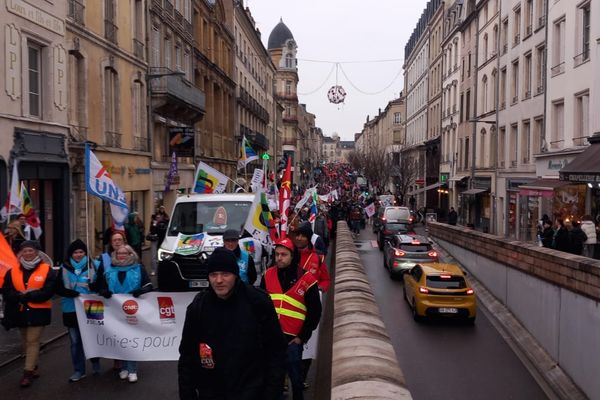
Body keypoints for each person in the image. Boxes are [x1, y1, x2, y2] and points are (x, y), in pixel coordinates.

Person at [178, 247, 286, 400]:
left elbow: (276, 352)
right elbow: (187, 357)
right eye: (213, 275)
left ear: (235, 275)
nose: (219, 280)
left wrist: (271, 394)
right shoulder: (199, 306)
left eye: (225, 274)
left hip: (252, 393)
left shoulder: (258, 302)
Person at [260, 238, 322, 400]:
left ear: (292, 256)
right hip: (271, 340)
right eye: (277, 254)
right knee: (274, 381)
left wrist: (302, 337)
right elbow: (259, 306)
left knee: (296, 381)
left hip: (293, 341)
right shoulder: (267, 275)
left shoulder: (307, 280)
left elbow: (315, 312)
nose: (279, 258)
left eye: (283, 254)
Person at [1, 240, 56, 387]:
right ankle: (34, 366)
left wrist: (29, 296)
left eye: (31, 250)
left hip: (39, 312)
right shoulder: (12, 271)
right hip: (20, 312)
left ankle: (27, 373)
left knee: (32, 341)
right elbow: (6, 291)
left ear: (37, 252)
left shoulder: (47, 269)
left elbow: (48, 291)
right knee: (26, 341)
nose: (28, 253)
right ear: (20, 253)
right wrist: (18, 297)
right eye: (25, 251)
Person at [95, 244, 153, 383]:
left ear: (130, 254)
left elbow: (148, 285)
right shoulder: (109, 269)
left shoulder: (138, 268)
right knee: (119, 340)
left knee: (131, 340)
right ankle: (124, 368)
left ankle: (132, 369)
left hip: (133, 310)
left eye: (124, 253)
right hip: (114, 312)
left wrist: (141, 291)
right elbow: (100, 286)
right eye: (119, 253)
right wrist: (104, 291)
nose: (121, 256)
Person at [55, 239, 101, 382]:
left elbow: (102, 284)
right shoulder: (64, 267)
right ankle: (79, 370)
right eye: (75, 252)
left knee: (92, 338)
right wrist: (71, 293)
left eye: (81, 252)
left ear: (85, 253)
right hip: (70, 308)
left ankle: (95, 363)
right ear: (71, 254)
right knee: (75, 342)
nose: (78, 255)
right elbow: (58, 288)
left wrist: (94, 286)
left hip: (92, 306)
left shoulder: (95, 265)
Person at [294, 222, 330, 292]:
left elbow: (325, 280)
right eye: (298, 235)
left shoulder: (318, 257)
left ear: (308, 239)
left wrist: (320, 289)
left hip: (311, 298)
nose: (299, 238)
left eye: (303, 236)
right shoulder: (290, 255)